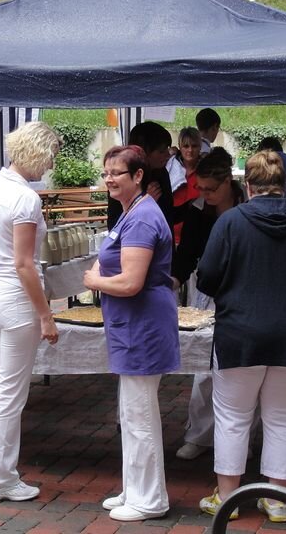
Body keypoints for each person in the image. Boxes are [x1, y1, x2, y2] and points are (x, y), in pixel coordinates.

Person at [197, 151, 286, 523]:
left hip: (240, 334)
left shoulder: (229, 222)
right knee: (284, 418)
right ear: (285, 185)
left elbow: (207, 277)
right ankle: (277, 499)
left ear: (246, 186)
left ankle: (228, 498)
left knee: (232, 417)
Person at [0, 121, 61, 502]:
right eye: (50, 155)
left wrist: (1, 252)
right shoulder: (26, 199)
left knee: (5, 388)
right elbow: (25, 265)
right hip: (17, 299)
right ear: (36, 152)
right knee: (11, 393)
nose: (51, 164)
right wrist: (46, 314)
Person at [84, 145, 179, 522]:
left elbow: (130, 282)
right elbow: (111, 257)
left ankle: (150, 499)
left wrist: (95, 280)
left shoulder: (140, 219)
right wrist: (101, 273)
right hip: (131, 326)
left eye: (117, 173)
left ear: (138, 176)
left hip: (142, 325)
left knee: (140, 415)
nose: (109, 178)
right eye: (106, 172)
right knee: (131, 412)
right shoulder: (131, 213)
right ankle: (134, 488)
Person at [170, 148, 246, 461]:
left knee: (238, 370)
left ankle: (239, 440)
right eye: (200, 188)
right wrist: (171, 281)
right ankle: (199, 435)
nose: (205, 194)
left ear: (229, 181)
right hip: (207, 291)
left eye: (210, 189)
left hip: (242, 291)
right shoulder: (197, 211)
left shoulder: (247, 208)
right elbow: (186, 254)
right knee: (204, 366)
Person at [107, 122, 174, 233]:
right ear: (144, 152)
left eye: (167, 149)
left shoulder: (161, 173)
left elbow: (168, 214)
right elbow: (114, 226)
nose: (168, 155)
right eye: (161, 151)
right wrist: (143, 202)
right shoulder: (122, 179)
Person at [168, 127, 203, 245]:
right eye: (186, 146)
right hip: (170, 236)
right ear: (179, 147)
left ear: (200, 146)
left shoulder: (206, 171)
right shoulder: (170, 168)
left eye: (194, 146)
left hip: (198, 236)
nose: (190, 150)